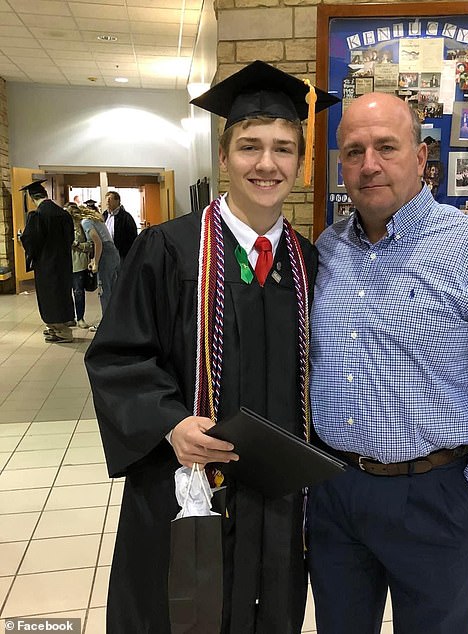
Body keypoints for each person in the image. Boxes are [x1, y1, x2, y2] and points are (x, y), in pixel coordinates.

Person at [84, 61, 338, 633]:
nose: (266, 164)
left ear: (300, 162)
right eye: (250, 147)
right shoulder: (169, 250)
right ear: (224, 158)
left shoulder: (312, 263)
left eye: (283, 149)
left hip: (277, 503)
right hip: (187, 483)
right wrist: (170, 424)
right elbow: (117, 357)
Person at [307, 92, 468, 634]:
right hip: (334, 493)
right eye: (353, 151)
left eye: (386, 147)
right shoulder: (326, 250)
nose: (369, 164)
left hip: (435, 495)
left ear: (421, 159)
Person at [18, 180, 75, 343]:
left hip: (46, 263)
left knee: (49, 295)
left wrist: (27, 246)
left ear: (31, 197)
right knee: (62, 293)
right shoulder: (63, 213)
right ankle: (57, 327)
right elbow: (70, 237)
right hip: (63, 262)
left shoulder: (37, 214)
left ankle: (62, 332)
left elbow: (31, 240)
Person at [79, 205, 120, 320]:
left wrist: (96, 262)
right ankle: (115, 319)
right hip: (112, 253)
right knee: (113, 288)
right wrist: (93, 260)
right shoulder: (95, 220)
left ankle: (106, 322)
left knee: (104, 290)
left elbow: (97, 242)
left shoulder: (86, 222)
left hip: (105, 254)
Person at [65, 203, 92, 328]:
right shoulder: (62, 226)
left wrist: (77, 244)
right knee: (65, 293)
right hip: (64, 263)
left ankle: (80, 317)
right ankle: (69, 317)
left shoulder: (82, 225)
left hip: (79, 264)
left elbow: (91, 245)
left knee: (78, 292)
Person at [103, 190, 138, 262]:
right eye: (106, 199)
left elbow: (132, 236)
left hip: (121, 253)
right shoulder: (104, 215)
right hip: (106, 252)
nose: (107, 202)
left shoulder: (126, 217)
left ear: (117, 201)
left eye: (110, 199)